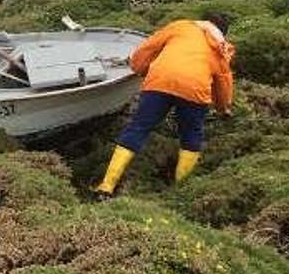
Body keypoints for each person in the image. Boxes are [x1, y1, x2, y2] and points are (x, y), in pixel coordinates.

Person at [94, 14, 236, 196]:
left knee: (137, 128)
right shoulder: (221, 47)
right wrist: (223, 108)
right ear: (223, 32)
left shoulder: (181, 27)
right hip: (194, 90)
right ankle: (179, 192)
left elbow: (148, 47)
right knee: (191, 135)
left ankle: (106, 186)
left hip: (160, 81)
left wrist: (139, 68)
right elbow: (223, 81)